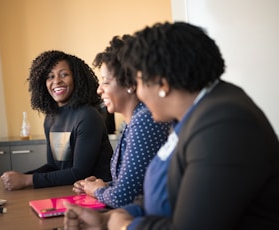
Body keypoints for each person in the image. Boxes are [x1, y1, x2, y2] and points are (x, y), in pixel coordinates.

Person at [63, 22, 279, 230]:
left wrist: (123, 225)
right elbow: (170, 193)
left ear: (162, 84)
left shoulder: (224, 124)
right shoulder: (194, 114)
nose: (137, 93)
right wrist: (109, 218)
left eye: (138, 82)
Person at [72, 35, 170, 208]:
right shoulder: (133, 121)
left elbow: (123, 198)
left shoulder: (144, 120)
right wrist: (101, 186)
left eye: (106, 82)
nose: (99, 89)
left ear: (130, 84)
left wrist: (96, 191)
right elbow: (136, 186)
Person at [1, 50, 113, 190]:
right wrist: (21, 177)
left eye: (64, 74)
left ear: (76, 78)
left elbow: (79, 172)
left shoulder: (87, 116)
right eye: (50, 77)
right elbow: (53, 166)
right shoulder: (50, 118)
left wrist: (27, 180)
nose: (56, 81)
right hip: (65, 190)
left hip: (96, 195)